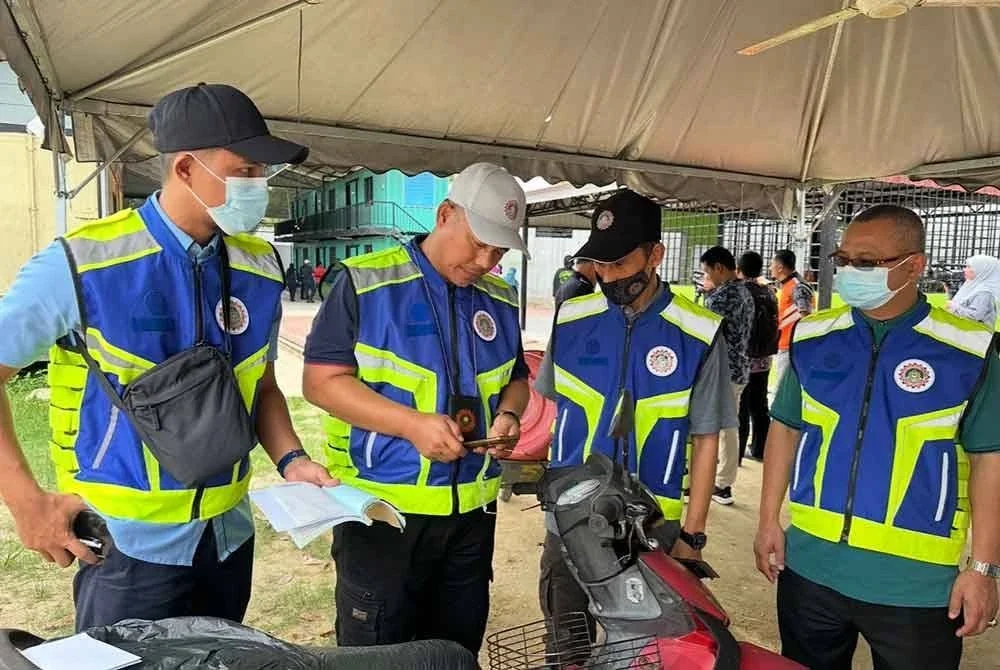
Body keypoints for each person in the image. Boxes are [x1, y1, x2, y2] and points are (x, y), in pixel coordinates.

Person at [0, 83, 336, 631]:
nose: (259, 187)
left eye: (261, 174)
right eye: (245, 171)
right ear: (184, 168)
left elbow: (264, 387)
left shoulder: (259, 268)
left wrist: (293, 460)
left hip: (228, 539)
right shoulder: (83, 265)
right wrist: (26, 504)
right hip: (127, 550)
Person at [754, 205, 1000, 670]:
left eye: (866, 262)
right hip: (809, 570)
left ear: (914, 266)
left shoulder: (969, 351)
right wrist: (769, 520)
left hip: (918, 587)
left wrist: (984, 568)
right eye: (842, 259)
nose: (849, 271)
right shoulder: (814, 337)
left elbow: (990, 461)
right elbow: (785, 428)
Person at [302, 162, 532, 656]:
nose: (487, 260)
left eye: (499, 248)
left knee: (453, 651)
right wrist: (411, 426)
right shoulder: (365, 284)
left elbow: (516, 377)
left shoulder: (500, 299)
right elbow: (321, 384)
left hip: (471, 514)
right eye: (478, 241)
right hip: (383, 514)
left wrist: (510, 415)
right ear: (445, 213)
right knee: (378, 653)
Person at [534, 189, 735, 660]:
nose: (607, 277)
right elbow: (552, 408)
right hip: (569, 519)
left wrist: (693, 535)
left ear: (656, 255)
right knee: (567, 642)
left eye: (620, 264)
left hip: (651, 525)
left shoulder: (697, 333)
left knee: (649, 651)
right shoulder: (572, 318)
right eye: (600, 265)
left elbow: (706, 439)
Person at [700, 246, 754, 505]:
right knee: (729, 426)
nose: (708, 277)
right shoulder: (746, 291)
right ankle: (723, 482)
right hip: (740, 367)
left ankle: (717, 482)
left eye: (708, 271)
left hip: (720, 370)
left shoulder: (721, 297)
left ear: (719, 268)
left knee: (714, 428)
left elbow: (705, 333)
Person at [738, 251, 778, 462]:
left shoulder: (741, 292)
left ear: (740, 269)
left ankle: (737, 453)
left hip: (744, 358)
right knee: (760, 404)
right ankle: (761, 449)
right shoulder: (769, 292)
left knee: (741, 406)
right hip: (764, 357)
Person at [770, 249, 814, 389]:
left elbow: (806, 315)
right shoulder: (790, 285)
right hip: (787, 345)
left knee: (784, 390)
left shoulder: (797, 286)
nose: (770, 267)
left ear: (780, 267)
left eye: (772, 264)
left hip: (791, 347)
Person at [947, 255, 1000, 329]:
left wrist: (955, 307)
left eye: (969, 267)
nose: (964, 270)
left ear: (981, 270)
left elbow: (976, 316)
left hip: (976, 336)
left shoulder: (984, 293)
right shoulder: (973, 285)